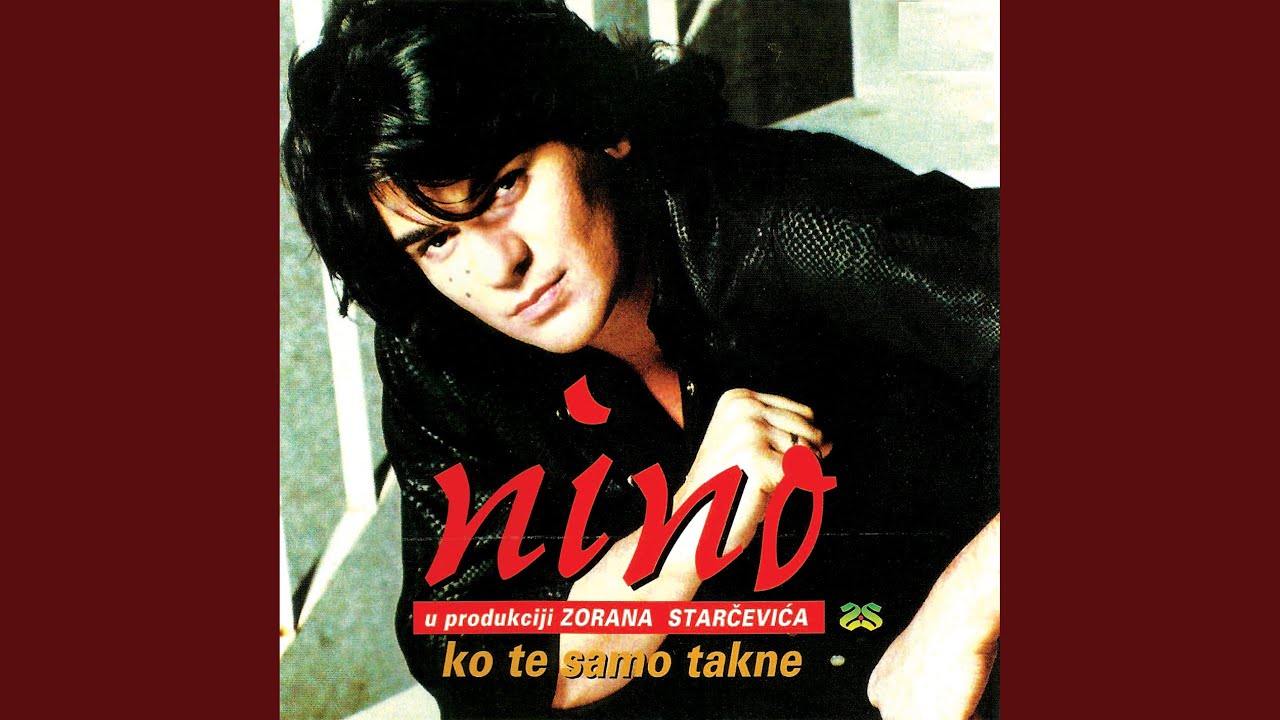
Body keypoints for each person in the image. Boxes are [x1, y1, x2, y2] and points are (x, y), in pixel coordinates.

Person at [283, 1, 1000, 718]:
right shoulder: (442, 348)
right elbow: (477, 664)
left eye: (505, 185)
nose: (500, 266)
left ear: (602, 128)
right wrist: (685, 536)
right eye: (437, 239)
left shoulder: (788, 217)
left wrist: (965, 611)